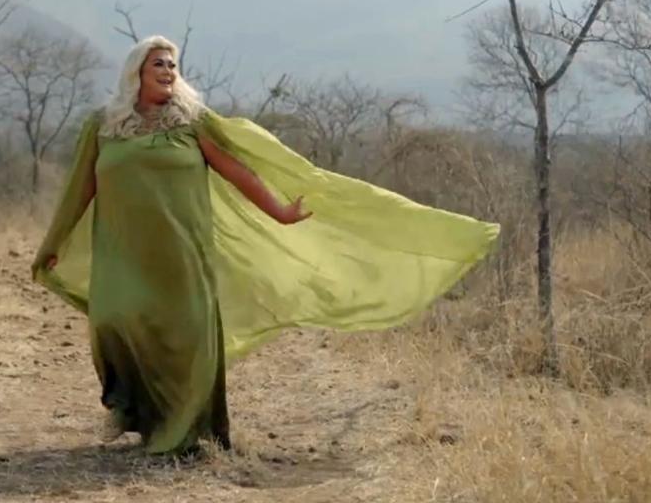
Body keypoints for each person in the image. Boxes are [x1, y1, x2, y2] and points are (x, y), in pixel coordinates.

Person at [31, 35, 499, 456]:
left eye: (173, 65)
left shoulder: (193, 123)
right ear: (136, 72)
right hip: (123, 252)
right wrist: (55, 242)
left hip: (183, 252)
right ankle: (130, 407)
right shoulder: (105, 125)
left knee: (187, 340)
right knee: (115, 320)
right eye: (159, 64)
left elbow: (237, 171)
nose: (169, 72)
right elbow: (81, 188)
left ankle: (183, 435)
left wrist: (279, 211)